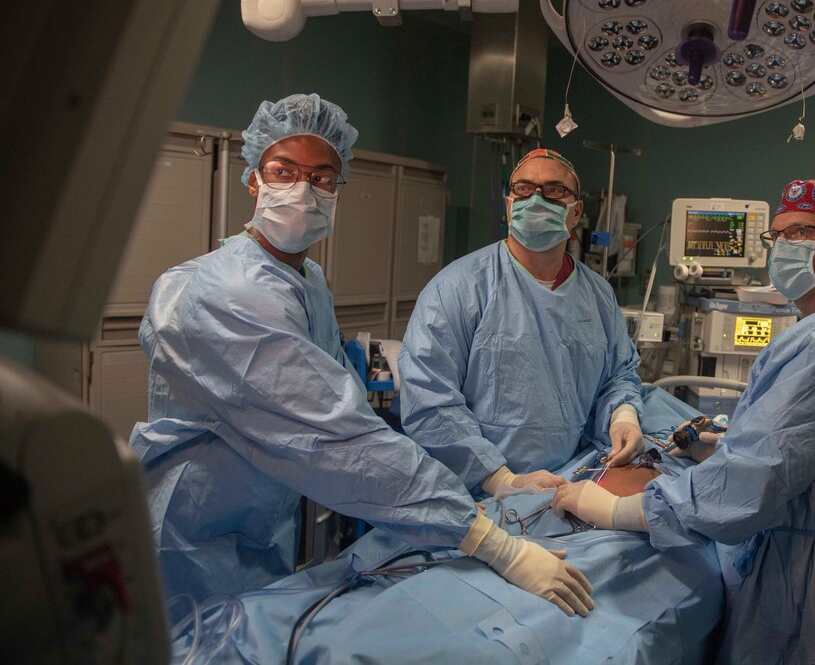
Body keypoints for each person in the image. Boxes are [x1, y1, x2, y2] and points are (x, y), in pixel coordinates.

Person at [129, 94, 593, 618]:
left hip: (260, 521)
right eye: (284, 171)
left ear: (337, 191)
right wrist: (492, 540)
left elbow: (342, 399)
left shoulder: (307, 280)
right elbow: (335, 435)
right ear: (254, 178)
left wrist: (501, 483)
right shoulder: (230, 292)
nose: (303, 189)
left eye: (322, 177)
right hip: (195, 530)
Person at [553, 179, 815, 664]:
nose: (783, 249)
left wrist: (610, 509)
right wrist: (719, 448)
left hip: (807, 586)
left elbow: (746, 488)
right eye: (777, 237)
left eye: (801, 235)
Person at [395, 148, 646, 498]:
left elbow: (617, 376)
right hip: (479, 494)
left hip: (572, 484)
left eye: (554, 190)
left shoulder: (597, 294)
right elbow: (430, 399)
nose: (537, 198)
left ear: (576, 213)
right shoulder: (457, 288)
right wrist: (499, 479)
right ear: (509, 204)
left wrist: (623, 416)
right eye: (524, 189)